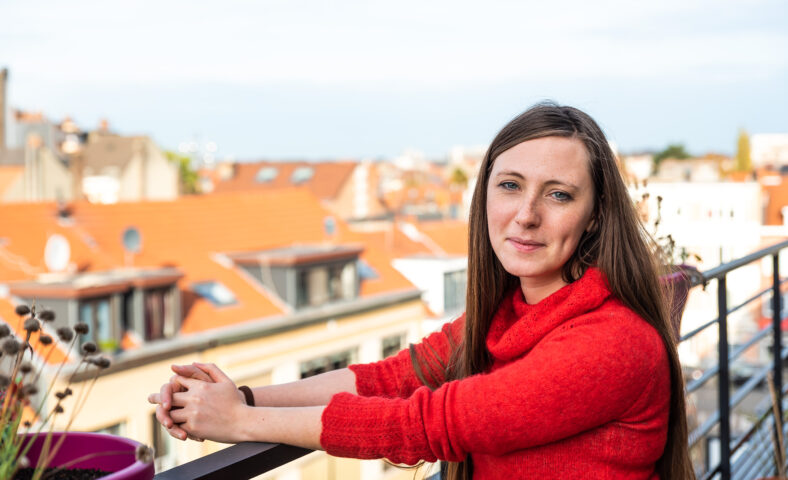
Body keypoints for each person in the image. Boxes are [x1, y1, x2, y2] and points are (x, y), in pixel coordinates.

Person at [148, 103, 695, 479]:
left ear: (595, 215)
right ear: (484, 196)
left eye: (557, 195)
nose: (525, 215)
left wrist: (240, 424)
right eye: (510, 186)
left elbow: (427, 424)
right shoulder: (514, 312)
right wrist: (242, 398)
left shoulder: (612, 341)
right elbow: (390, 378)